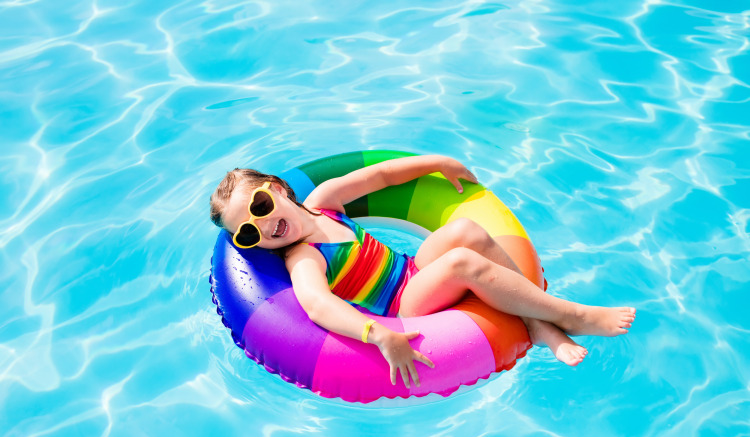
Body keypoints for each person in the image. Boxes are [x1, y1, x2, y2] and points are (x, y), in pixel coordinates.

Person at [209, 155, 636, 388]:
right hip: (402, 305)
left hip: (413, 269)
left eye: (261, 206)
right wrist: (378, 334)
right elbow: (318, 306)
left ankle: (535, 322)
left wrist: (437, 163)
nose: (263, 226)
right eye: (248, 233)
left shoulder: (325, 201)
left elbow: (379, 175)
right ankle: (570, 315)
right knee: (459, 262)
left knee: (465, 229)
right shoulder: (304, 258)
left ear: (279, 189)